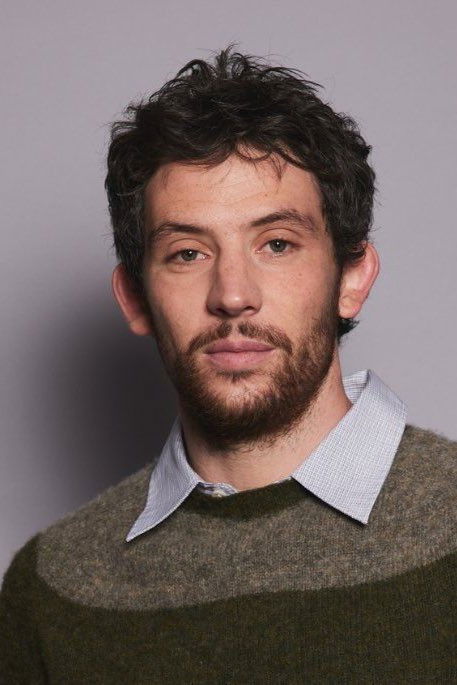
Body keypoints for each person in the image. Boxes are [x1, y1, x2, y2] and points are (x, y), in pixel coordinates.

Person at [1, 46, 455, 684]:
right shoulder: (54, 590)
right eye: (188, 253)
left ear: (352, 278)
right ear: (135, 297)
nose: (233, 294)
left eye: (277, 244)